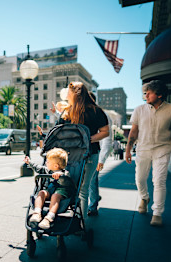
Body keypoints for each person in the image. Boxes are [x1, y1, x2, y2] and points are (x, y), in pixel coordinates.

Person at [125, 80, 171, 227]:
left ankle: (157, 213)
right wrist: (127, 149)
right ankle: (144, 198)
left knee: (159, 181)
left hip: (163, 149)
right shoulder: (139, 109)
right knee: (140, 178)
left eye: (149, 93)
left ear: (160, 94)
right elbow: (134, 132)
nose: (146, 95)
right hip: (143, 148)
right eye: (145, 92)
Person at [55, 82, 109, 220]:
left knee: (78, 188)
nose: (66, 94)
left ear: (74, 94)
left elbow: (105, 132)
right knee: (82, 190)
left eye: (68, 92)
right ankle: (81, 223)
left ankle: (77, 220)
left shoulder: (69, 112)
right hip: (84, 154)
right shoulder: (94, 111)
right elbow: (104, 132)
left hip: (78, 155)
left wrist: (87, 140)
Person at [25, 148, 76, 229]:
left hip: (61, 192)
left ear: (56, 166)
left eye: (48, 162)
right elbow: (37, 167)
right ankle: (37, 213)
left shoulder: (65, 173)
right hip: (49, 190)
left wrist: (60, 176)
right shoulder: (47, 170)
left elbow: (66, 182)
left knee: (55, 196)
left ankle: (49, 217)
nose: (46, 163)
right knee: (41, 192)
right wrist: (29, 162)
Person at [87, 92, 113, 216]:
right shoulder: (83, 112)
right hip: (83, 152)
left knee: (92, 181)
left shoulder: (101, 114)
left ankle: (92, 207)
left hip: (95, 152)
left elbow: (107, 140)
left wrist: (101, 160)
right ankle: (94, 199)